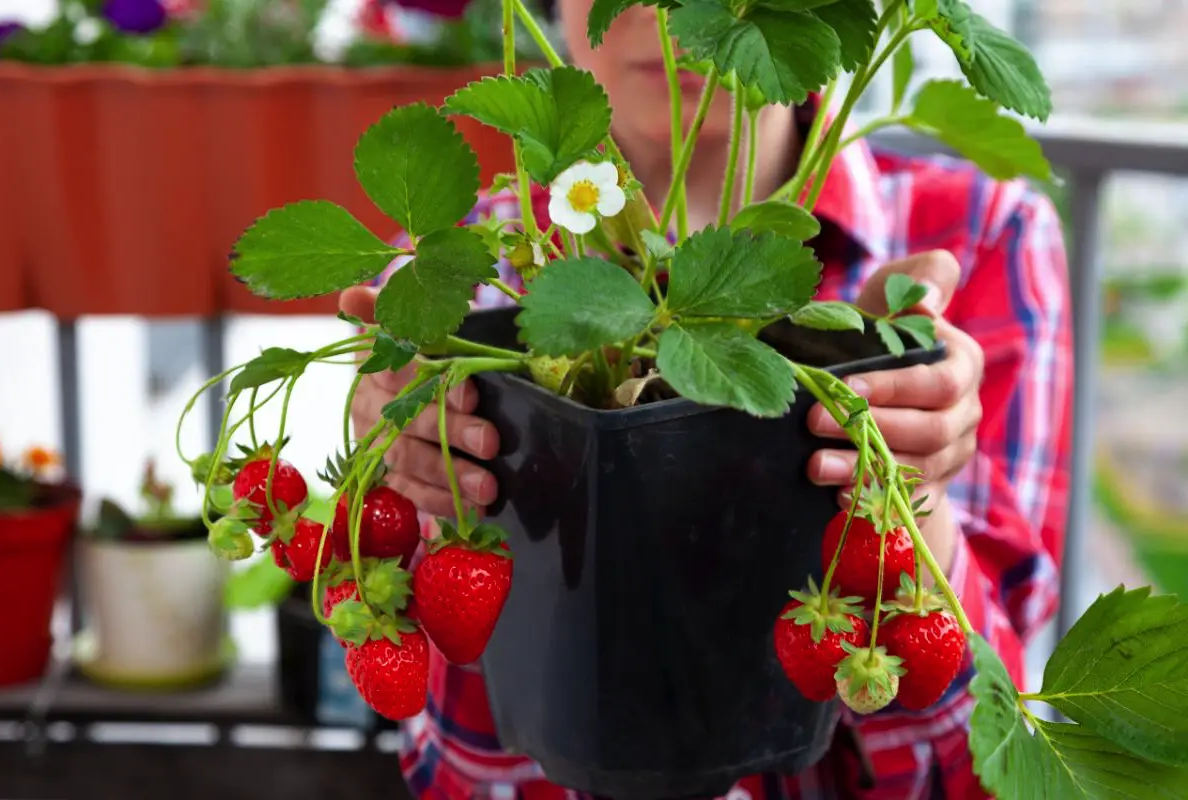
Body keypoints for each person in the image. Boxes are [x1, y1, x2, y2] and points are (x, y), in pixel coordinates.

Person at [337, 0, 1074, 796]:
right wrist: (425, 477)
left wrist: (904, 490)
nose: (674, 11)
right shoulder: (456, 277)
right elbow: (465, 773)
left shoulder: (983, 235)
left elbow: (977, 772)